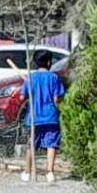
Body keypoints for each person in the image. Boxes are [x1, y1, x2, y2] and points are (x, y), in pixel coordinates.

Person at [19, 51, 65, 184]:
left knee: (31, 144)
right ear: (49, 62)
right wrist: (59, 108)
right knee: (51, 144)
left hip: (34, 117)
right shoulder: (54, 78)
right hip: (51, 116)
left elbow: (23, 97)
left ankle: (27, 172)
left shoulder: (30, 78)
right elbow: (57, 98)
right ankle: (50, 172)